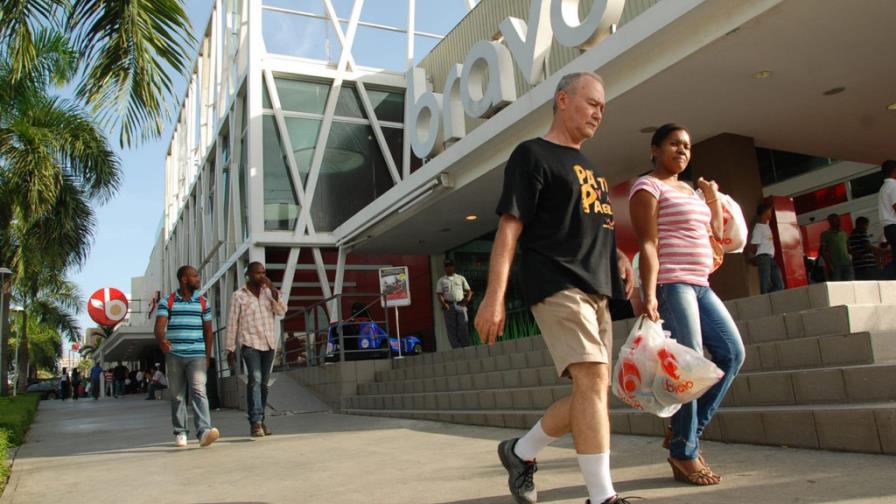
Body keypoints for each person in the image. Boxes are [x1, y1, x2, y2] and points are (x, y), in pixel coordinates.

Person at [475, 72, 635, 504]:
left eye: (603, 107)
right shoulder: (532, 155)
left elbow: (593, 228)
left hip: (598, 288)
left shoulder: (592, 169)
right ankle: (602, 497)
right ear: (563, 100)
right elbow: (510, 227)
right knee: (593, 379)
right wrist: (493, 297)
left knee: (592, 391)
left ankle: (520, 452)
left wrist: (618, 256)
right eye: (592, 103)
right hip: (556, 281)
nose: (599, 113)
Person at [629, 123, 745, 486]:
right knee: (690, 364)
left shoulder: (692, 192)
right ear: (654, 149)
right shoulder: (647, 187)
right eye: (674, 144)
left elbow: (714, 233)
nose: (682, 150)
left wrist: (710, 196)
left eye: (687, 146)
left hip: (701, 285)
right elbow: (648, 244)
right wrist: (649, 293)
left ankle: (684, 434)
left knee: (732, 353)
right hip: (672, 283)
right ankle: (684, 451)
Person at [154, 265, 219, 448]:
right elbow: (159, 327)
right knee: (177, 395)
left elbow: (208, 331)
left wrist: (207, 355)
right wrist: (162, 341)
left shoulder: (203, 302)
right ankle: (181, 432)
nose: (198, 279)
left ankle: (204, 431)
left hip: (197, 355)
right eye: (195, 276)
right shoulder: (168, 301)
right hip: (174, 355)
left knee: (199, 391)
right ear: (184, 279)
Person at [225, 261, 287, 437]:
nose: (262, 276)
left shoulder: (269, 293)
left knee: (264, 385)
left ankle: (261, 420)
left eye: (264, 272)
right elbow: (232, 322)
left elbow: (282, 312)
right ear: (249, 275)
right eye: (258, 273)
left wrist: (273, 291)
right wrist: (229, 349)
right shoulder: (239, 295)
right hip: (250, 344)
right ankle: (256, 422)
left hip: (269, 344)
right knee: (255, 380)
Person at [436, 259, 474, 348]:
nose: (448, 268)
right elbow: (439, 294)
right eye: (446, 266)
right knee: (451, 329)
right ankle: (456, 348)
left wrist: (467, 300)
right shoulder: (441, 280)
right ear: (444, 268)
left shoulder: (460, 278)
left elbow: (469, 291)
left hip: (461, 305)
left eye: (450, 266)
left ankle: (465, 346)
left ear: (454, 267)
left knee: (463, 325)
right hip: (449, 306)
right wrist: (444, 304)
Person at [748, 202, 784, 293]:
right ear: (764, 212)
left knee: (779, 285)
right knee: (765, 284)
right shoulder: (758, 228)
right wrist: (758, 257)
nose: (771, 213)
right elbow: (752, 245)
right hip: (763, 257)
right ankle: (766, 298)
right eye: (769, 211)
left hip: (770, 258)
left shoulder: (766, 225)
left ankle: (769, 297)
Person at [819, 213, 853, 281]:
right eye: (836, 220)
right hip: (835, 266)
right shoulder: (825, 234)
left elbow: (849, 249)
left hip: (847, 264)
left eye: (839, 220)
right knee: (837, 285)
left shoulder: (844, 233)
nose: (839, 222)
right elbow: (823, 251)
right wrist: (829, 266)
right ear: (830, 222)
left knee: (850, 284)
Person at [879, 160, 896, 280]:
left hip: (889, 228)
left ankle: (885, 277)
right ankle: (883, 277)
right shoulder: (893, 186)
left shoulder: (884, 187)